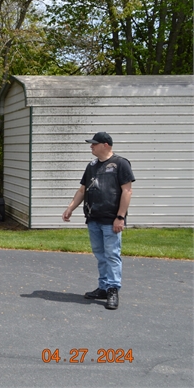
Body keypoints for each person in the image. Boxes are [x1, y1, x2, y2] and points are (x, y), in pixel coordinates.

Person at [62, 132, 135, 310]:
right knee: (100, 255)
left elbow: (127, 192)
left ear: (106, 145)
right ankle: (103, 287)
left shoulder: (120, 164)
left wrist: (120, 217)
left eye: (94, 144)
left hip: (111, 220)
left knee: (112, 255)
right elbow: (82, 190)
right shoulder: (92, 166)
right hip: (93, 218)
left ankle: (112, 290)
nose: (91, 146)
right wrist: (70, 207)